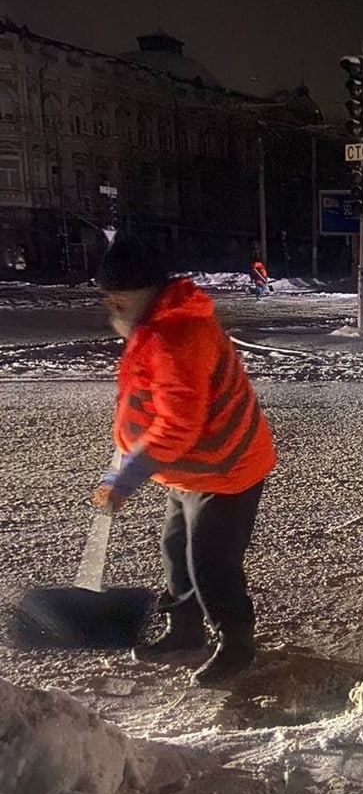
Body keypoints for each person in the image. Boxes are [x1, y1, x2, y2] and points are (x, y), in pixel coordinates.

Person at [91, 236, 277, 686]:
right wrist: (120, 462)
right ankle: (185, 628)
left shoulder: (177, 337)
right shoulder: (155, 326)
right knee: (175, 549)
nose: (112, 307)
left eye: (118, 298)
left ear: (145, 293)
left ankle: (236, 644)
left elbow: (178, 424)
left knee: (210, 563)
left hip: (227, 468)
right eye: (108, 298)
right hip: (188, 468)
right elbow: (141, 403)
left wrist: (128, 475)